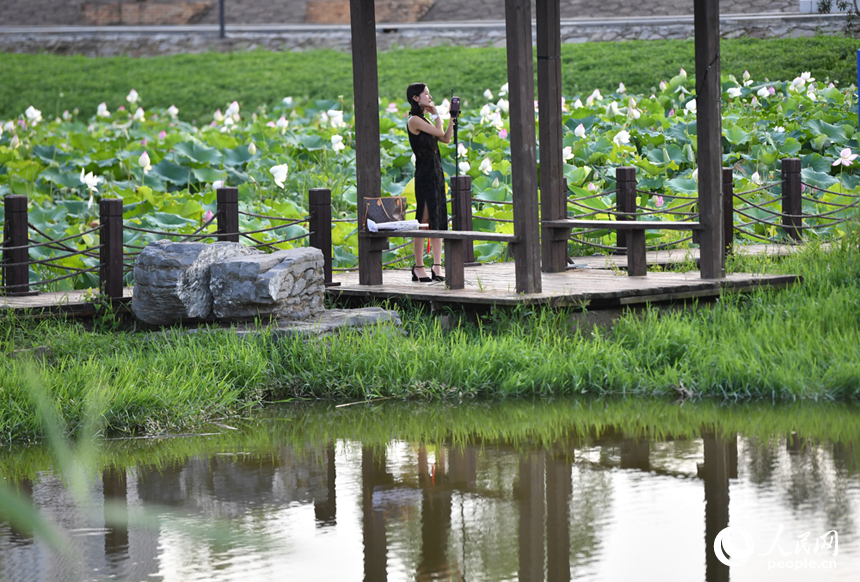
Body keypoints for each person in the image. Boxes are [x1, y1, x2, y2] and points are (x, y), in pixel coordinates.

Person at [406, 82, 457, 282]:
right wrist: (437, 113)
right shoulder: (414, 120)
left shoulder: (425, 119)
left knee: (438, 218)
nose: (430, 96)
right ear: (416, 98)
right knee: (424, 221)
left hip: (436, 172)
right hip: (425, 173)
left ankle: (437, 265)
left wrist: (452, 119)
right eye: (426, 94)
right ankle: (418, 267)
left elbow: (445, 138)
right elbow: (439, 132)